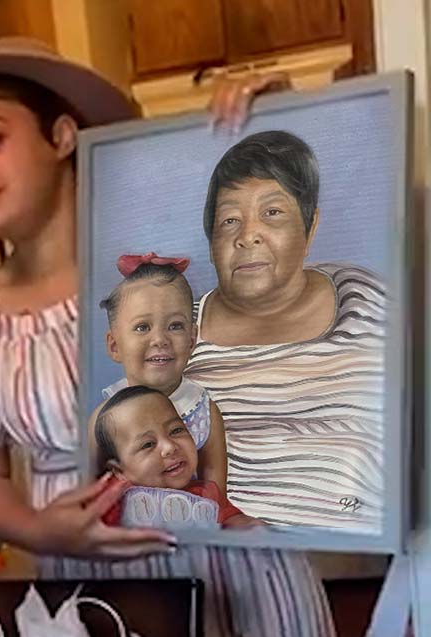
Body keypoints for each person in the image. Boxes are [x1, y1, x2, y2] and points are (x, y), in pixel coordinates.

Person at [0, 37, 365, 637]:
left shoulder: (173, 254)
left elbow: (326, 247)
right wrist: (41, 530)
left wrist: (289, 121)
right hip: (98, 588)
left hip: (241, 572)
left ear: (59, 138)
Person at [186, 130, 387, 533]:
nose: (248, 236)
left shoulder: (369, 302)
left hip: (364, 563)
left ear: (310, 228)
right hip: (223, 562)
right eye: (229, 220)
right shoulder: (175, 336)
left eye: (272, 212)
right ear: (211, 242)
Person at [90, 255, 227, 491]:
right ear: (115, 346)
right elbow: (85, 487)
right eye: (142, 327)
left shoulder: (202, 409)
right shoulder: (107, 416)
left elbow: (215, 490)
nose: (160, 340)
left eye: (175, 326)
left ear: (192, 340)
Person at [94, 385, 259, 530]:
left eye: (176, 430)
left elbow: (233, 521)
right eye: (148, 445)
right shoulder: (114, 498)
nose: (170, 447)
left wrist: (251, 527)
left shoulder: (208, 494)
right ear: (119, 470)